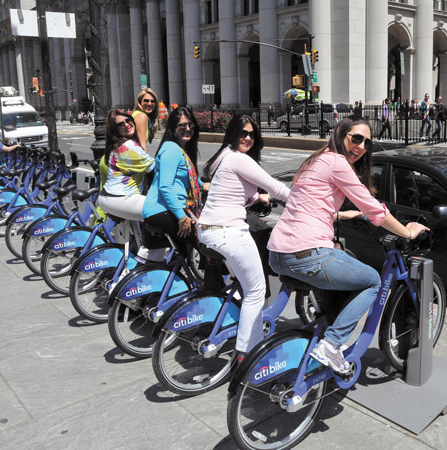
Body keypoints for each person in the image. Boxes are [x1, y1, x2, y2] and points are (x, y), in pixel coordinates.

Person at [267, 115, 429, 374]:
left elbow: (309, 204)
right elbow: (375, 210)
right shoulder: (336, 162)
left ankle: (324, 340)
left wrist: (342, 214)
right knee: (372, 281)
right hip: (308, 253)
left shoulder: (316, 160)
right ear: (340, 135)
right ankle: (331, 345)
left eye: (367, 142)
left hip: (278, 254)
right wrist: (407, 233)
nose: (362, 146)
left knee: (342, 272)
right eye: (356, 139)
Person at [198, 115, 290, 362]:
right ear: (232, 134)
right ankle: (247, 354)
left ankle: (233, 324)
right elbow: (277, 188)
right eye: (243, 133)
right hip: (228, 231)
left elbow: (229, 191)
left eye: (252, 134)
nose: (248, 138)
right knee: (256, 291)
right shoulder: (239, 158)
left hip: (207, 229)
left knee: (243, 282)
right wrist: (307, 204)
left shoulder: (223, 156)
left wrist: (256, 199)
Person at [141, 107, 222, 289]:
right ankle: (214, 293)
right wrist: (182, 217)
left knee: (183, 254)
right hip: (164, 210)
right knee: (210, 243)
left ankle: (162, 290)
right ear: (172, 128)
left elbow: (183, 178)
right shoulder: (171, 149)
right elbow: (166, 186)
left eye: (190, 124)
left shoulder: (179, 149)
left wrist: (203, 186)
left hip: (164, 209)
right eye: (182, 125)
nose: (187, 129)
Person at [98, 109, 154, 223]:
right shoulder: (128, 145)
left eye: (128, 120)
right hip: (122, 198)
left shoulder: (115, 145)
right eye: (121, 124)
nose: (127, 124)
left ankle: (135, 241)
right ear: (115, 130)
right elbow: (155, 167)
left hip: (107, 198)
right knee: (165, 212)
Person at [132, 88, 159, 152]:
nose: (149, 103)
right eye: (146, 100)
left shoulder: (137, 114)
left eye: (153, 101)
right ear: (140, 101)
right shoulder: (141, 116)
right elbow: (142, 147)